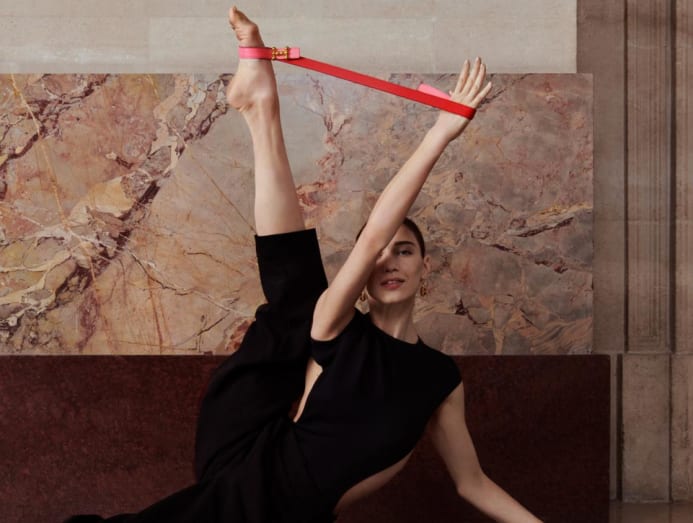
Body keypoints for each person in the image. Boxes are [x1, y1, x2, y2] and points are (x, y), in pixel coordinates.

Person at [66, 6, 541, 523]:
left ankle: (259, 108)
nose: (389, 260)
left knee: (295, 298)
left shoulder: (439, 378)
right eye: (381, 253)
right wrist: (439, 135)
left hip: (281, 503)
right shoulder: (337, 328)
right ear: (363, 278)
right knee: (303, 307)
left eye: (405, 250)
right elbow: (372, 239)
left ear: (426, 266)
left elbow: (472, 483)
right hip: (256, 479)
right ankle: (261, 106)